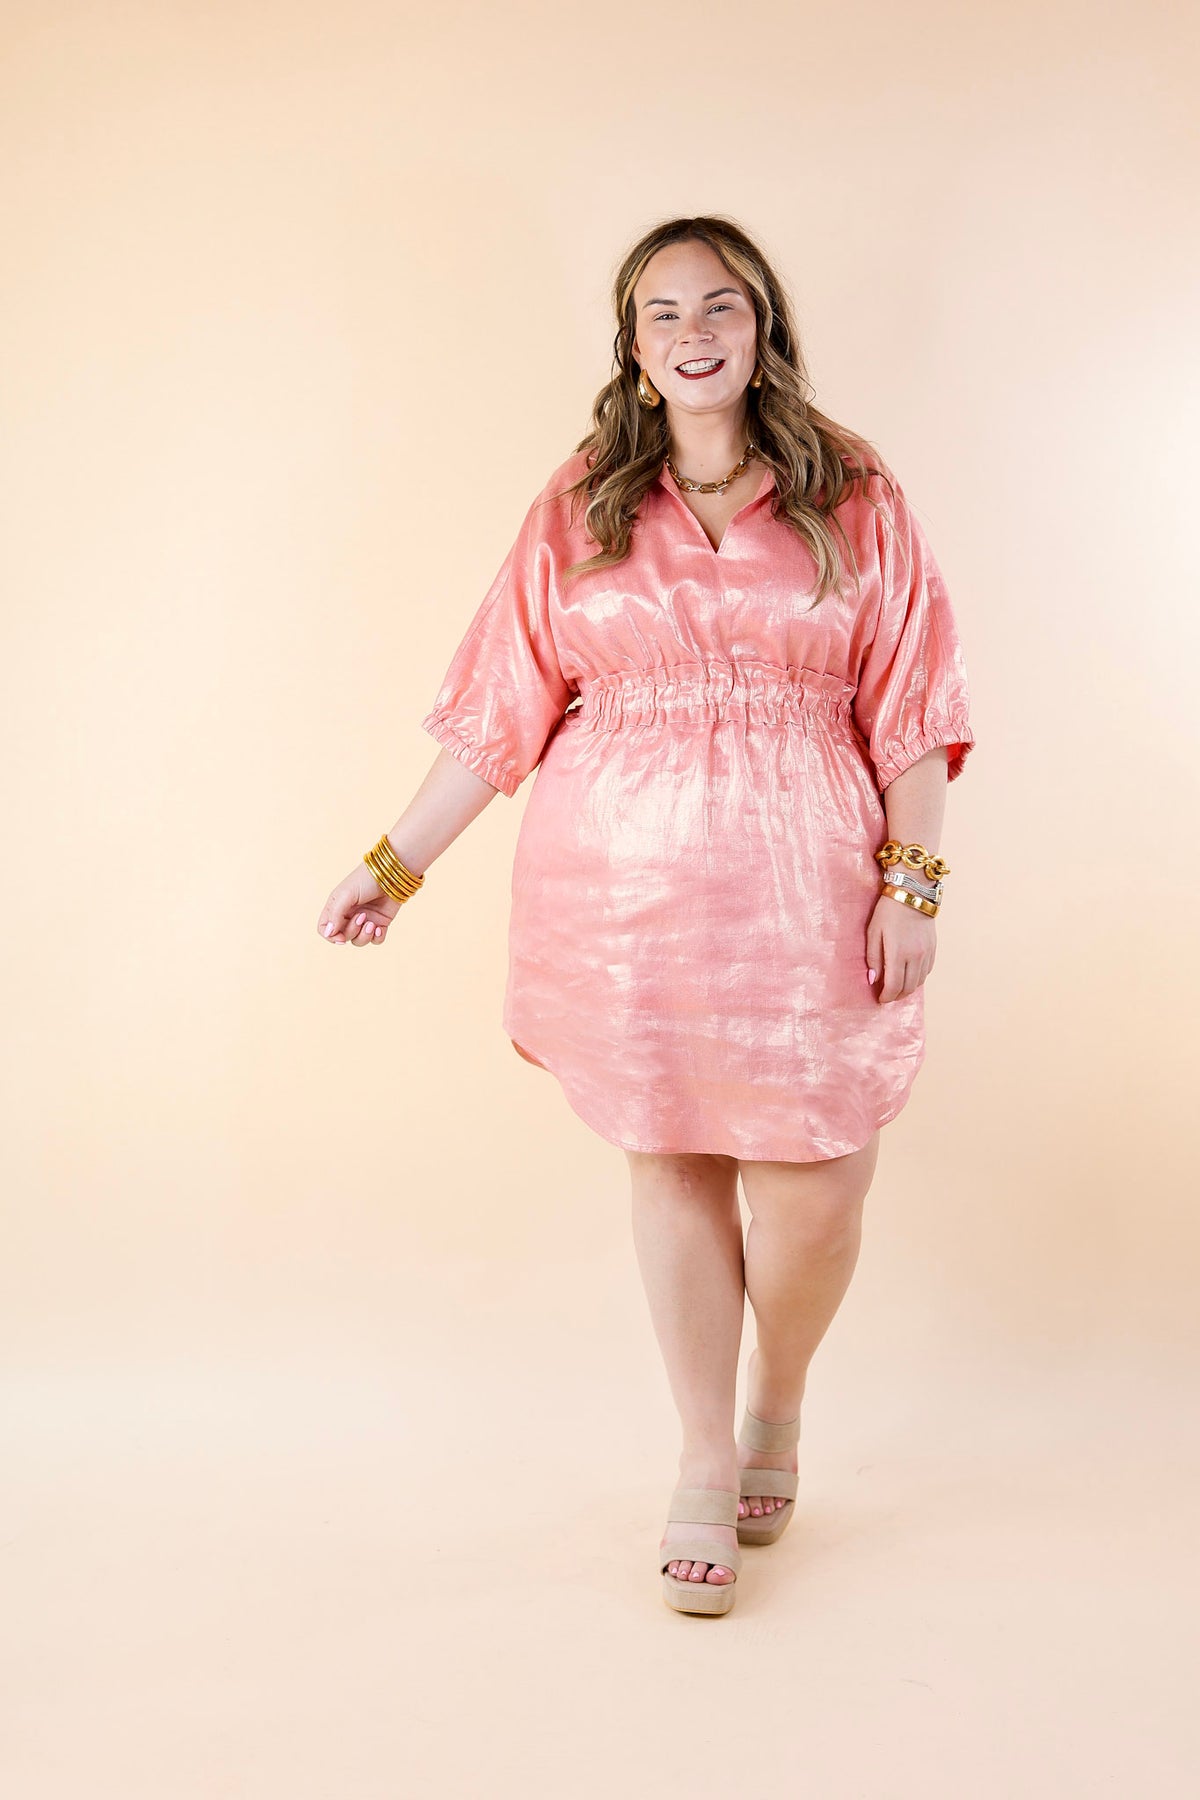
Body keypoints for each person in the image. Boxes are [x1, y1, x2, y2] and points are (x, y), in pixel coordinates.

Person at [317, 215, 976, 1617]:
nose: (693, 333)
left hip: (809, 889)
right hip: (623, 898)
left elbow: (912, 703)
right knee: (672, 1160)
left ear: (762, 325)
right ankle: (701, 1455)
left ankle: (775, 1399)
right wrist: (394, 864)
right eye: (662, 313)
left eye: (719, 305)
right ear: (632, 345)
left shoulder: (854, 490)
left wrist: (913, 882)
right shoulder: (582, 501)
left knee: (817, 1189)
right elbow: (501, 708)